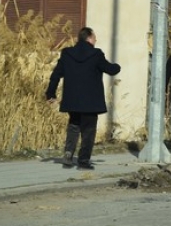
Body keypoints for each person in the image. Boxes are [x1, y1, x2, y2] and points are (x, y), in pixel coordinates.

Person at [46, 27, 121, 170]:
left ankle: (68, 154)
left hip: (72, 100)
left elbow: (55, 75)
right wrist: (117, 66)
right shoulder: (96, 54)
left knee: (74, 126)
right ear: (89, 38)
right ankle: (83, 161)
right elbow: (110, 69)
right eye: (94, 37)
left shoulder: (67, 53)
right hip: (91, 101)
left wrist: (51, 94)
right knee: (88, 130)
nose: (96, 40)